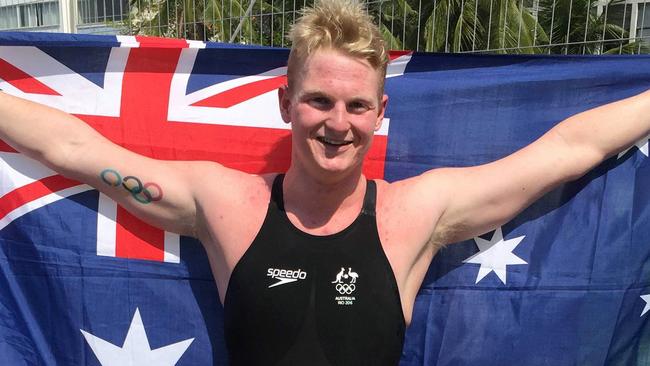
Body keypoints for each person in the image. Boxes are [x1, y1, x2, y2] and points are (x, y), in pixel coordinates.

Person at [0, 0, 649, 364]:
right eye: (319, 102)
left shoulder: (417, 216)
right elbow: (73, 147)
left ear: (379, 115)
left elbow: (570, 147)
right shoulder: (227, 204)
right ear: (286, 105)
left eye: (357, 105)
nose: (337, 124)